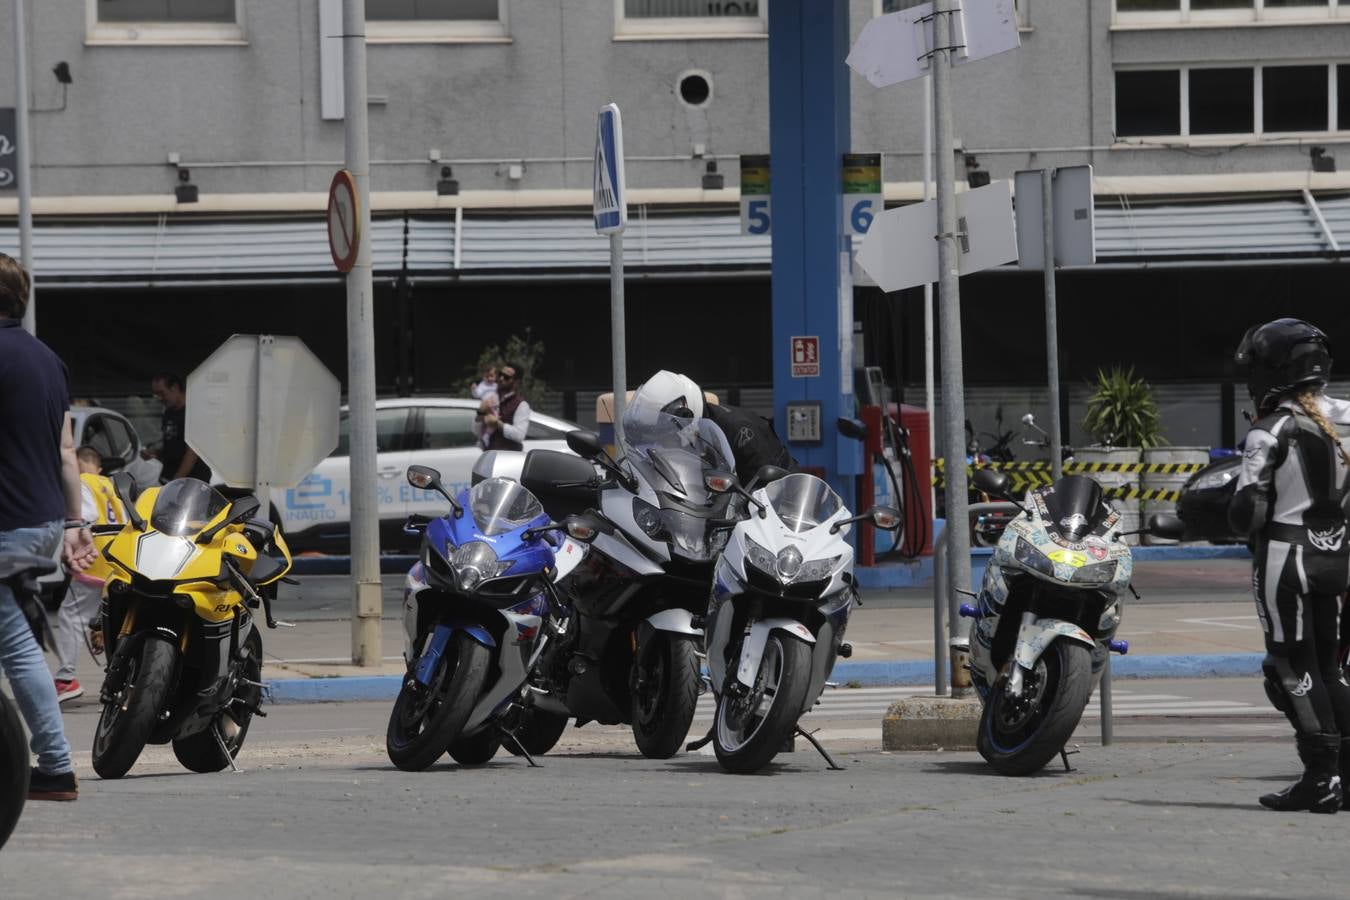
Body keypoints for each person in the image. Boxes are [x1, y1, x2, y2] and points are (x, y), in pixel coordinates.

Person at [1231, 318, 1350, 813]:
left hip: (1285, 558)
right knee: (1332, 668)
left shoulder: (1269, 429)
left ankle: (1320, 777)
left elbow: (1248, 512)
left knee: (1291, 669)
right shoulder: (1347, 414)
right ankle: (1345, 778)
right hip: (1339, 557)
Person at [0, 252, 96, 802]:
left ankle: (56, 767)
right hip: (38, 521)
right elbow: (65, 451)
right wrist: (74, 522)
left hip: (6, 524)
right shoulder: (47, 360)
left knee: (15, 646)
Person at [53, 446, 125, 703]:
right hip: (119, 557)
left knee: (71, 616)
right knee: (112, 620)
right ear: (99, 467)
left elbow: (86, 516)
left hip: (95, 555)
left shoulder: (81, 482)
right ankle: (121, 681)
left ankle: (65, 679)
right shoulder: (112, 485)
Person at [147, 372, 211, 483]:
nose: (160, 398)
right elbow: (173, 443)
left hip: (191, 481)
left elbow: (192, 453)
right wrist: (156, 452)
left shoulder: (193, 412)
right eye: (156, 394)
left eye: (162, 393)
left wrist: (176, 481)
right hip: (169, 476)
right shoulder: (168, 412)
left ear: (175, 387)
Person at [472, 362, 530, 452]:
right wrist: (480, 412)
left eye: (506, 377)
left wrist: (497, 423)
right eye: (500, 374)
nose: (501, 378)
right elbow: (476, 432)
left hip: (507, 458)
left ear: (516, 382)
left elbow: (519, 435)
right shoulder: (491, 397)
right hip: (488, 454)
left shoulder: (521, 405)